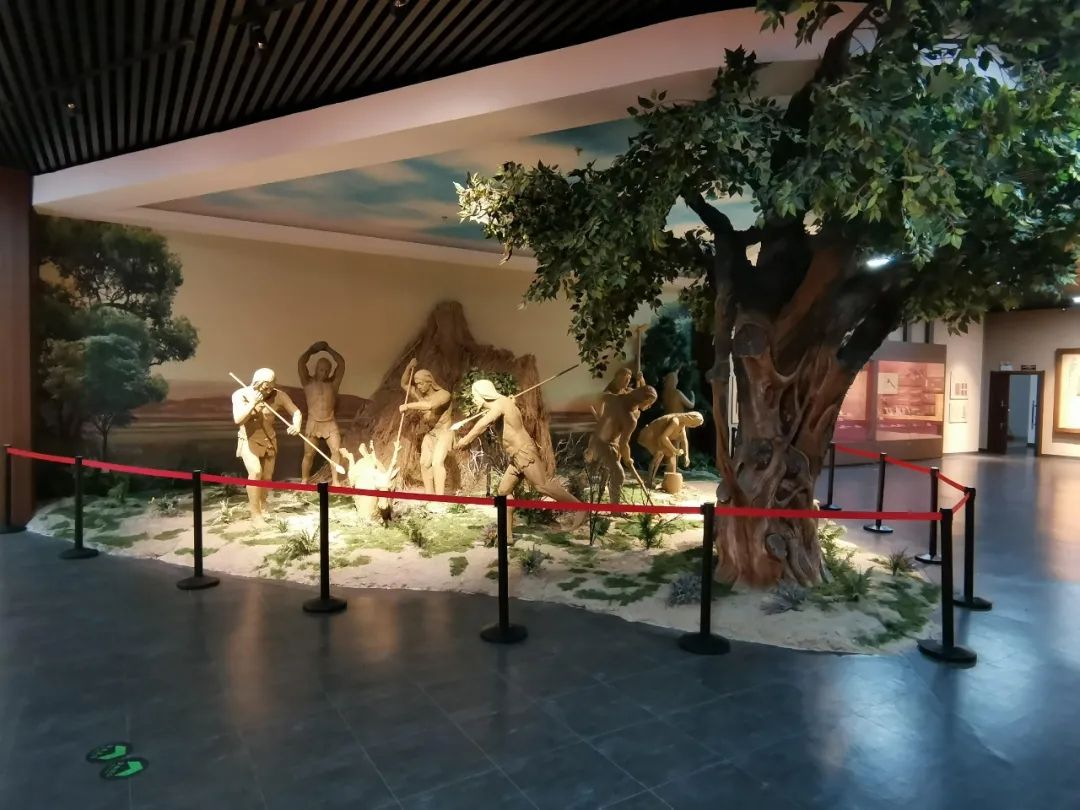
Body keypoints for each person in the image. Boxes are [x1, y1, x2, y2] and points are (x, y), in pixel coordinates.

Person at [455, 379, 585, 541]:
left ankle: (580, 508)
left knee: (542, 485)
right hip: (516, 457)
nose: (474, 399)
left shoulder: (500, 404)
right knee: (503, 492)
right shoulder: (503, 404)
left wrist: (465, 440)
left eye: (475, 395)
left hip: (524, 452)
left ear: (483, 394)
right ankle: (507, 536)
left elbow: (483, 424)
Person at [232, 368, 301, 526]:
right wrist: (252, 403)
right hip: (248, 440)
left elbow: (296, 412)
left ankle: (263, 505)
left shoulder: (278, 395)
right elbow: (238, 419)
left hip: (269, 440)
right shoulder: (240, 394)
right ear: (257, 383)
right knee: (256, 472)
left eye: (271, 387)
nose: (268, 390)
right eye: (265, 387)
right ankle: (255, 515)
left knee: (267, 477)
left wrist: (296, 424)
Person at [586, 384, 658, 503]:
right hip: (605, 445)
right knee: (618, 474)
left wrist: (601, 417)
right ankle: (615, 509)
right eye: (650, 403)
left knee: (606, 471)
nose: (650, 406)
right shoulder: (630, 418)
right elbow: (624, 444)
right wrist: (628, 459)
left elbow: (601, 397)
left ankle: (598, 496)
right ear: (645, 400)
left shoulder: (613, 398)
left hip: (599, 440)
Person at [398, 358, 453, 495]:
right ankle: (430, 496)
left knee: (437, 462)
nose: (419, 387)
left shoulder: (444, 394)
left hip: (445, 432)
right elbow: (404, 384)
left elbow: (430, 406)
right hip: (431, 433)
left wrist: (408, 406)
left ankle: (440, 498)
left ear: (429, 382)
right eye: (417, 384)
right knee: (424, 463)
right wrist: (409, 367)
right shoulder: (419, 396)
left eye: (421, 383)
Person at [297, 341, 345, 486]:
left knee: (336, 451)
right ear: (316, 369)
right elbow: (301, 363)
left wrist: (328, 349)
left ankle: (335, 481)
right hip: (313, 422)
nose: (324, 373)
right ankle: (304, 480)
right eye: (321, 369)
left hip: (330, 422)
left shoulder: (333, 385)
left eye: (326, 370)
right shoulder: (307, 383)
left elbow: (341, 363)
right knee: (308, 454)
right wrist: (312, 350)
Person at [637, 411, 705, 488]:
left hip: (657, 437)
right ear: (690, 418)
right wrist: (674, 450)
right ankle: (649, 481)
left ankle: (651, 481)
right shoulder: (675, 421)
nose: (694, 427)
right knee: (659, 454)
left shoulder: (681, 424)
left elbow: (684, 440)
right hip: (650, 435)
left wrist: (686, 456)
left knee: (662, 454)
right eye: (694, 424)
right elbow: (663, 437)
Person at [661, 369, 696, 468]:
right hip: (678, 421)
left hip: (667, 420)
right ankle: (675, 466)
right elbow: (690, 405)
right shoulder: (677, 393)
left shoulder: (664, 393)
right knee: (680, 442)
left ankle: (670, 465)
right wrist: (693, 396)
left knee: (670, 443)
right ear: (674, 381)